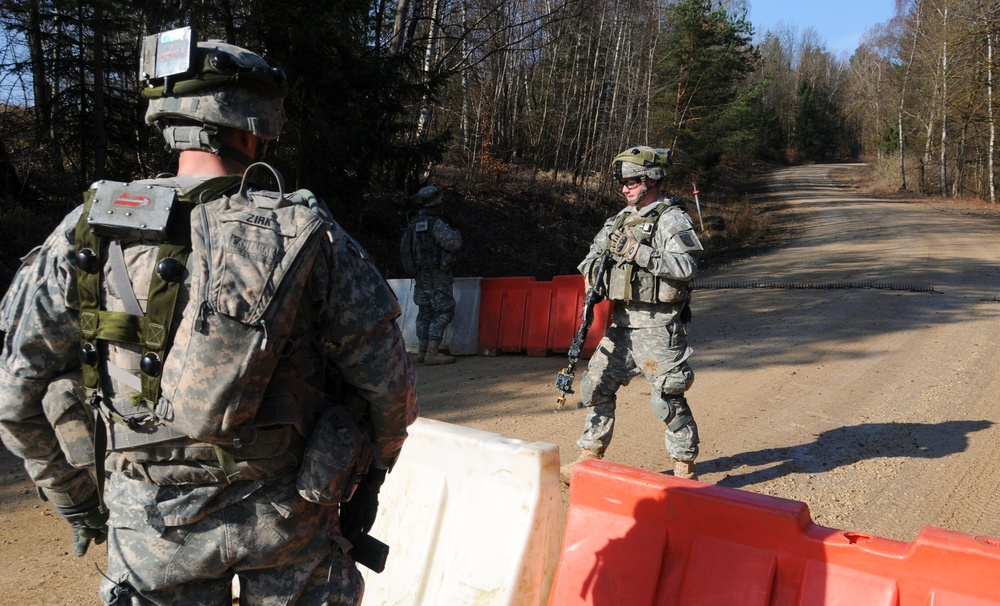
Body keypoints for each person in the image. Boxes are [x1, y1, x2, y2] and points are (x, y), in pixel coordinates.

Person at [0, 27, 416, 605]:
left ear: (168, 117)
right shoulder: (308, 235)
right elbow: (388, 387)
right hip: (289, 515)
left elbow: (17, 394)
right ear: (257, 124)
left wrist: (75, 499)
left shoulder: (86, 230)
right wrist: (373, 473)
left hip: (150, 525)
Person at [560, 146, 703, 483]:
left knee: (667, 397)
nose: (625, 188)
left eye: (633, 181)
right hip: (622, 324)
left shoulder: (671, 218)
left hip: (659, 326)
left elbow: (686, 266)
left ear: (652, 179)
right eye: (622, 182)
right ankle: (588, 456)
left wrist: (638, 252)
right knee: (595, 387)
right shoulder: (617, 221)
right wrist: (598, 270)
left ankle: (684, 468)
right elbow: (588, 261)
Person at [402, 185, 463, 365]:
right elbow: (454, 243)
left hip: (421, 275)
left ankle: (422, 351)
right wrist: (456, 232)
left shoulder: (413, 224)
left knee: (425, 310)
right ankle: (432, 352)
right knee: (444, 310)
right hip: (438, 274)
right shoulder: (435, 223)